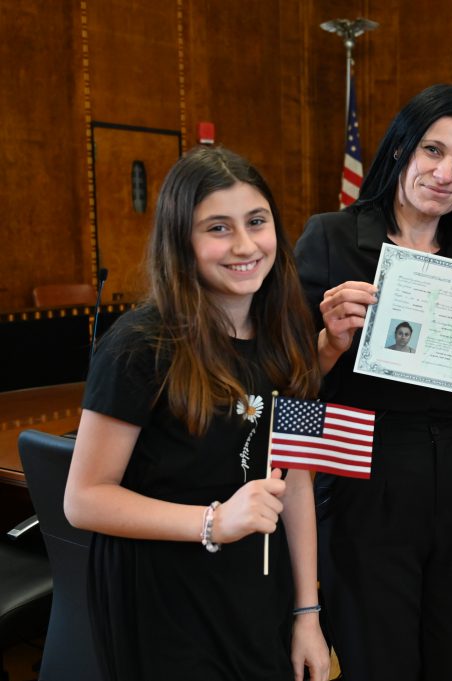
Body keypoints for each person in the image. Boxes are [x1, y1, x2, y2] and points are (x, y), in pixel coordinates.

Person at [294, 83, 452, 681]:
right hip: (365, 486)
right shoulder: (331, 239)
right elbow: (282, 389)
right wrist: (327, 344)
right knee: (380, 664)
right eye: (432, 151)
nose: (445, 172)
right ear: (399, 150)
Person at [64, 146, 331, 681]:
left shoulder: (289, 336)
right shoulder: (139, 344)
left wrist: (307, 613)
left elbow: (295, 477)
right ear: (181, 241)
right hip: (165, 600)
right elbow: (83, 499)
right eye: (217, 228)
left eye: (257, 222)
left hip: (258, 592)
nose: (244, 245)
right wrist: (215, 521)